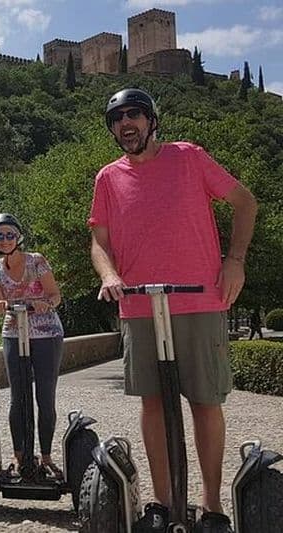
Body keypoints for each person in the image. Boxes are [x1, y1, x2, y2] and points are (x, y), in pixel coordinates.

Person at [89, 88, 258, 533]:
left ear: (151, 120)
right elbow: (99, 242)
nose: (126, 124)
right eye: (118, 119)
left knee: (205, 401)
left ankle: (212, 505)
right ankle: (162, 504)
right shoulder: (108, 177)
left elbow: (246, 202)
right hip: (140, 305)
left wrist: (235, 261)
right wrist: (109, 275)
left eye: (134, 116)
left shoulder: (189, 158)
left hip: (200, 299)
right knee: (152, 403)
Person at [0, 213, 65, 480]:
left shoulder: (37, 260)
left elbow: (55, 294)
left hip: (46, 334)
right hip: (13, 333)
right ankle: (19, 456)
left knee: (45, 395)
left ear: (18, 236)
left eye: (9, 234)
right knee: (18, 397)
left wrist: (46, 303)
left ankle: (45, 456)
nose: (5, 240)